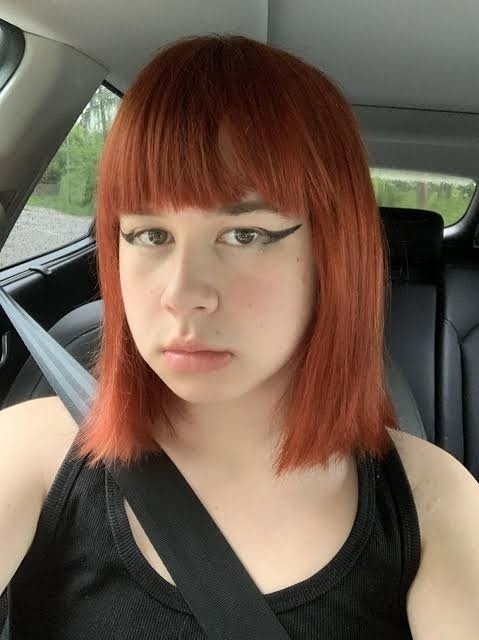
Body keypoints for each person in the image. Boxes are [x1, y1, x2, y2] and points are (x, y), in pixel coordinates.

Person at [1, 34, 478, 639]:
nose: (182, 293)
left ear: (333, 256)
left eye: (244, 235)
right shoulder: (33, 452)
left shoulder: (434, 505)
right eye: (150, 235)